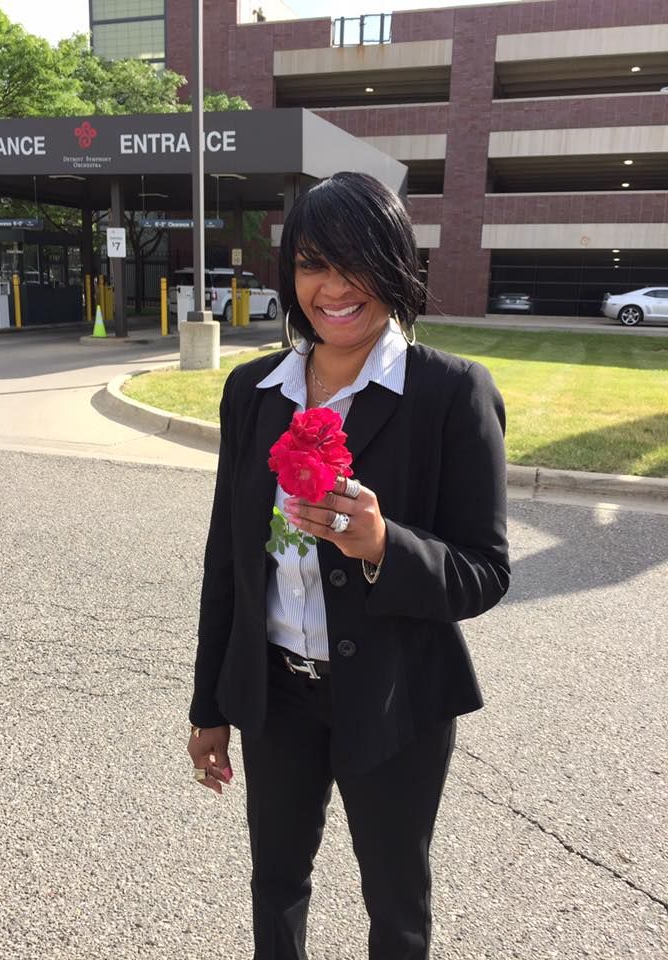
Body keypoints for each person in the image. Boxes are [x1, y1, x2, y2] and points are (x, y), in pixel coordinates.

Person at [188, 171, 510, 960]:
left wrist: (382, 545)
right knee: (276, 882)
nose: (332, 287)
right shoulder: (253, 391)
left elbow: (485, 570)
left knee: (396, 901)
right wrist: (210, 706)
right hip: (277, 694)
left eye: (356, 261)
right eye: (312, 264)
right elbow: (227, 563)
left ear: (397, 264)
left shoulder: (451, 393)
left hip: (396, 699)